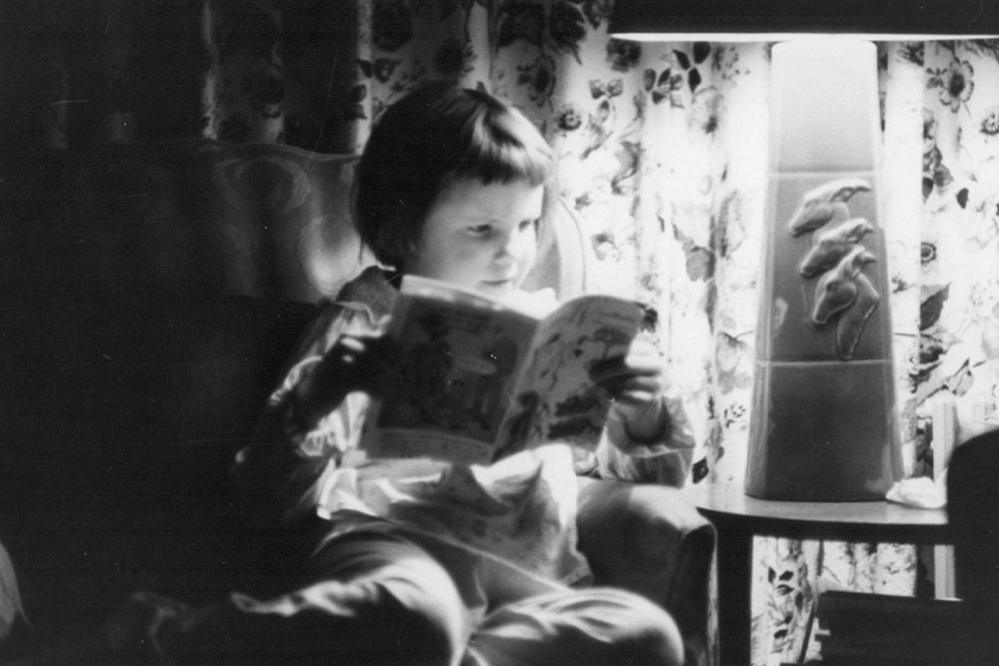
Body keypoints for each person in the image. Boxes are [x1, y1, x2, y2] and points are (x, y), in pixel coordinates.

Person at [103, 81, 696, 665]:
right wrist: (319, 397)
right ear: (402, 233)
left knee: (645, 631)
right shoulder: (363, 322)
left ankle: (449, 656)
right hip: (395, 548)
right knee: (415, 613)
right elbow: (266, 496)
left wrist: (641, 414)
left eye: (525, 225)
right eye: (481, 229)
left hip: (532, 578)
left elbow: (623, 470)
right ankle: (174, 633)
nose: (512, 252)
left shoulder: (552, 328)